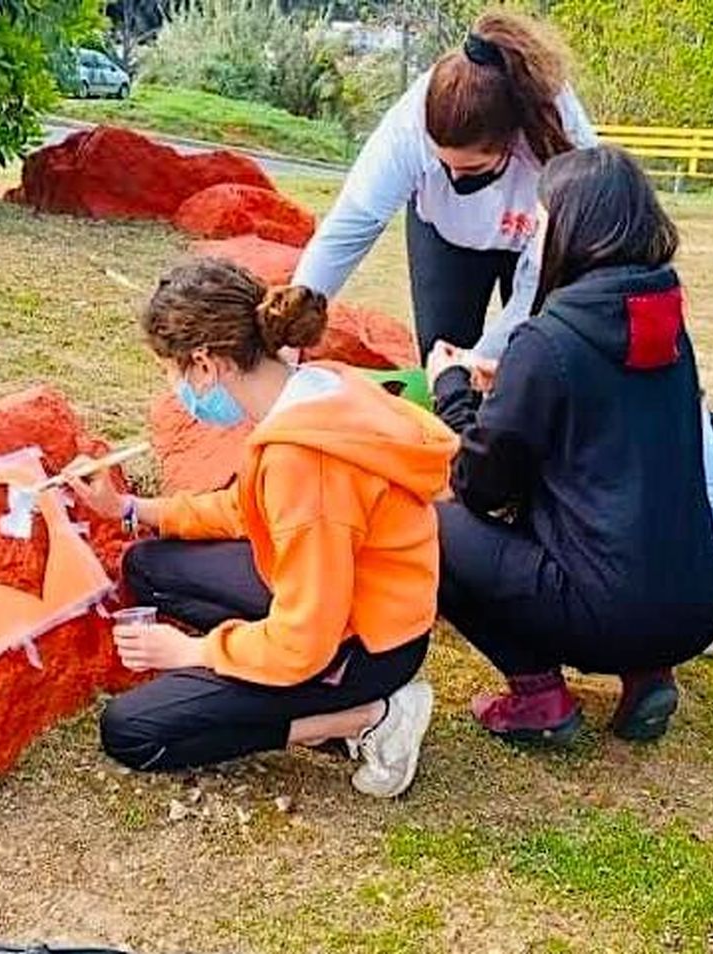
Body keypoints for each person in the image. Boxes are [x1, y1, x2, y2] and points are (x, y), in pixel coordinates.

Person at [66, 259, 459, 797]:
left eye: (171, 370)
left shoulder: (304, 463)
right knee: (147, 565)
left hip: (362, 648)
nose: (173, 386)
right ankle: (276, 681)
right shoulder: (319, 388)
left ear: (205, 364)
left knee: (132, 732)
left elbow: (304, 641)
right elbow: (247, 510)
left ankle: (367, 715)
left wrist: (191, 654)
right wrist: (132, 509)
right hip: (354, 605)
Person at [427, 146, 713, 746]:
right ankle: (648, 674)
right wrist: (512, 381)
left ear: (573, 228)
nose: (534, 235)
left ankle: (537, 694)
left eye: (540, 221)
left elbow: (480, 485)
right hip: (695, 606)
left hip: (607, 615)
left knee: (431, 527)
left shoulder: (549, 342)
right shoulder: (664, 324)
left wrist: (452, 390)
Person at [287, 9, 596, 362]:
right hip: (445, 235)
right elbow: (348, 230)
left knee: (531, 358)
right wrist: (291, 319)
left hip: (533, 241)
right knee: (440, 352)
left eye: (473, 168)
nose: (455, 178)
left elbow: (536, 287)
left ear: (513, 141)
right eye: (443, 164)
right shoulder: (406, 130)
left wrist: (476, 364)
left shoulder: (561, 144)